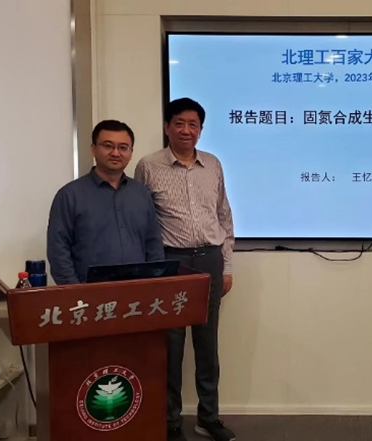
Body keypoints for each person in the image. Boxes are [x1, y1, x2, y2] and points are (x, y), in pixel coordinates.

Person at [134, 98, 236, 441]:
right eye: (179, 123)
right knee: (171, 345)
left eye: (193, 124)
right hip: (171, 261)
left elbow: (224, 216)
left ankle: (209, 417)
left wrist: (227, 265)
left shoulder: (213, 164)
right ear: (167, 127)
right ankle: (170, 421)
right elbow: (142, 221)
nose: (186, 130)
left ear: (201, 130)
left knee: (207, 344)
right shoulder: (149, 166)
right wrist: (149, 270)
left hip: (210, 259)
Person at [47, 119, 165, 285]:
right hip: (89, 292)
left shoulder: (141, 193)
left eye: (123, 147)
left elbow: (153, 244)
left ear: (131, 153)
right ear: (93, 149)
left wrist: (155, 282)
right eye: (108, 146)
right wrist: (75, 291)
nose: (115, 153)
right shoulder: (69, 195)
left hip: (138, 290)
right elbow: (58, 250)